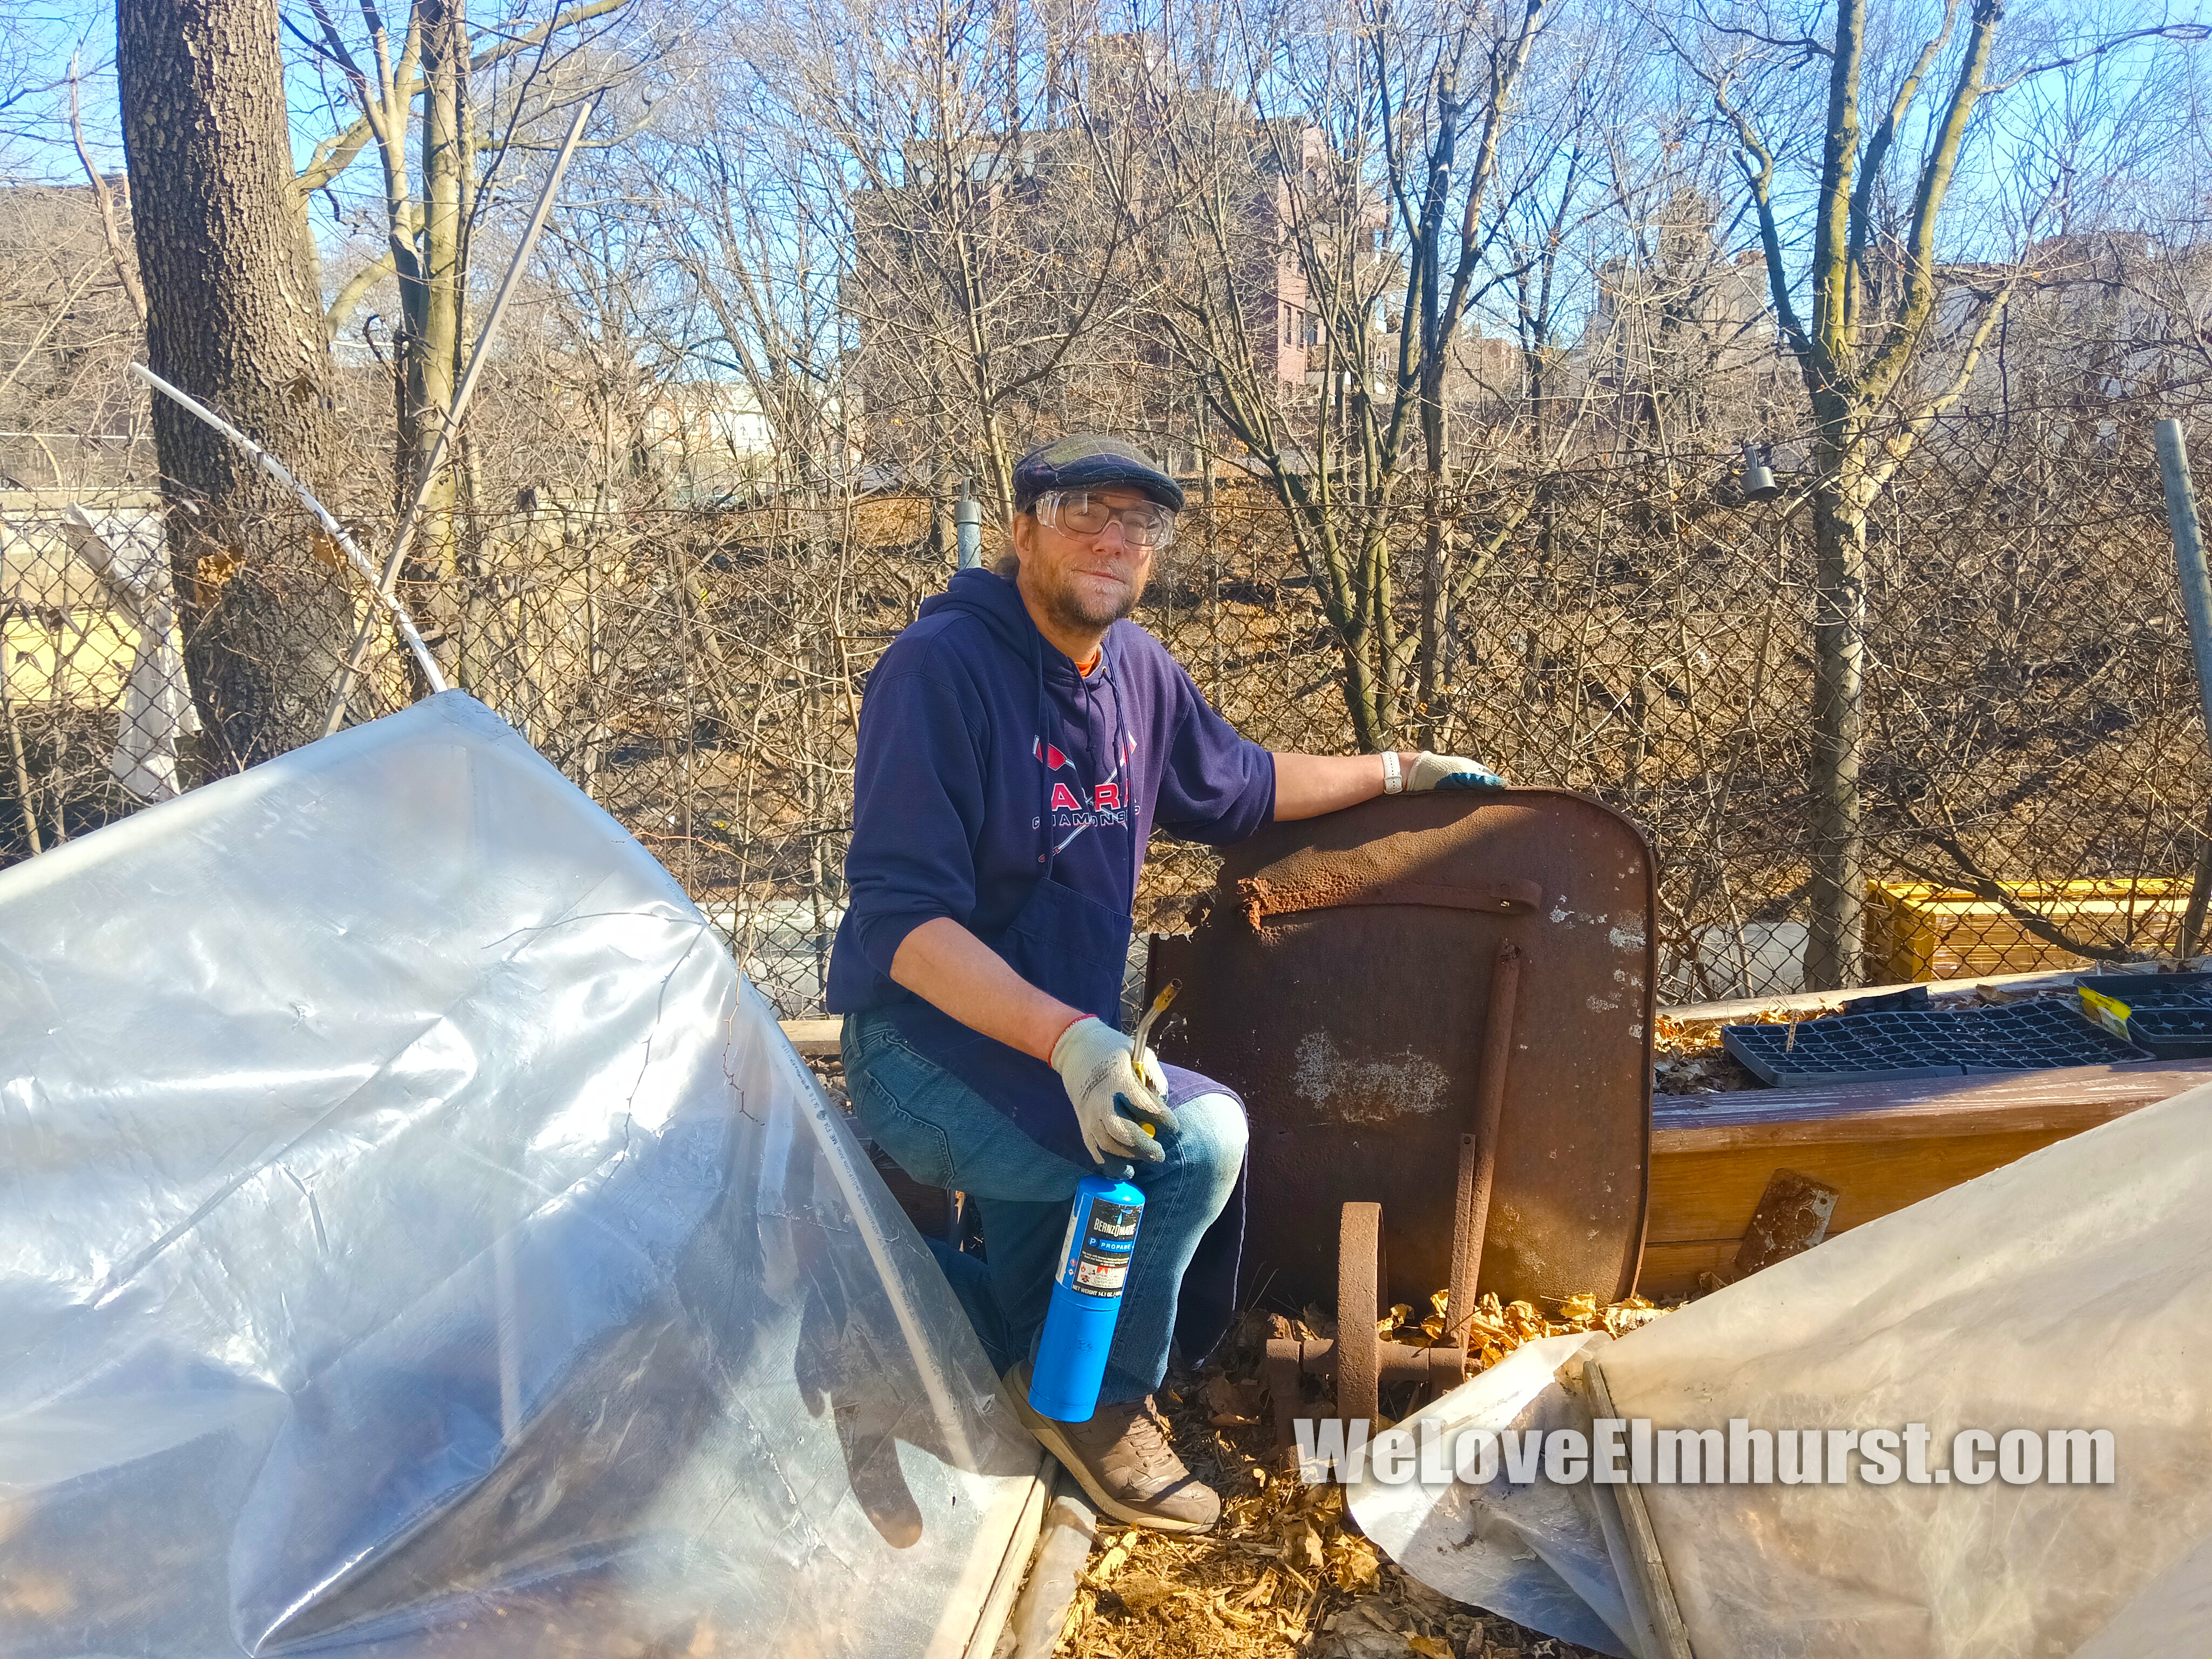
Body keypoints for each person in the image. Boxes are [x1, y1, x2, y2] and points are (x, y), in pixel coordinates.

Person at [826, 435, 1504, 1533]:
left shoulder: (1136, 670)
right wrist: (1069, 1044)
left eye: (1138, 524)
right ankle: (1101, 1410)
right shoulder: (938, 671)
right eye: (1084, 511)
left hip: (1045, 1065)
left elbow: (1243, 785)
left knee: (1013, 1341)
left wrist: (1394, 772)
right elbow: (902, 928)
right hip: (928, 1053)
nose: (1113, 538)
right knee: (1197, 1139)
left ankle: (941, 1336)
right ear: (1021, 530)